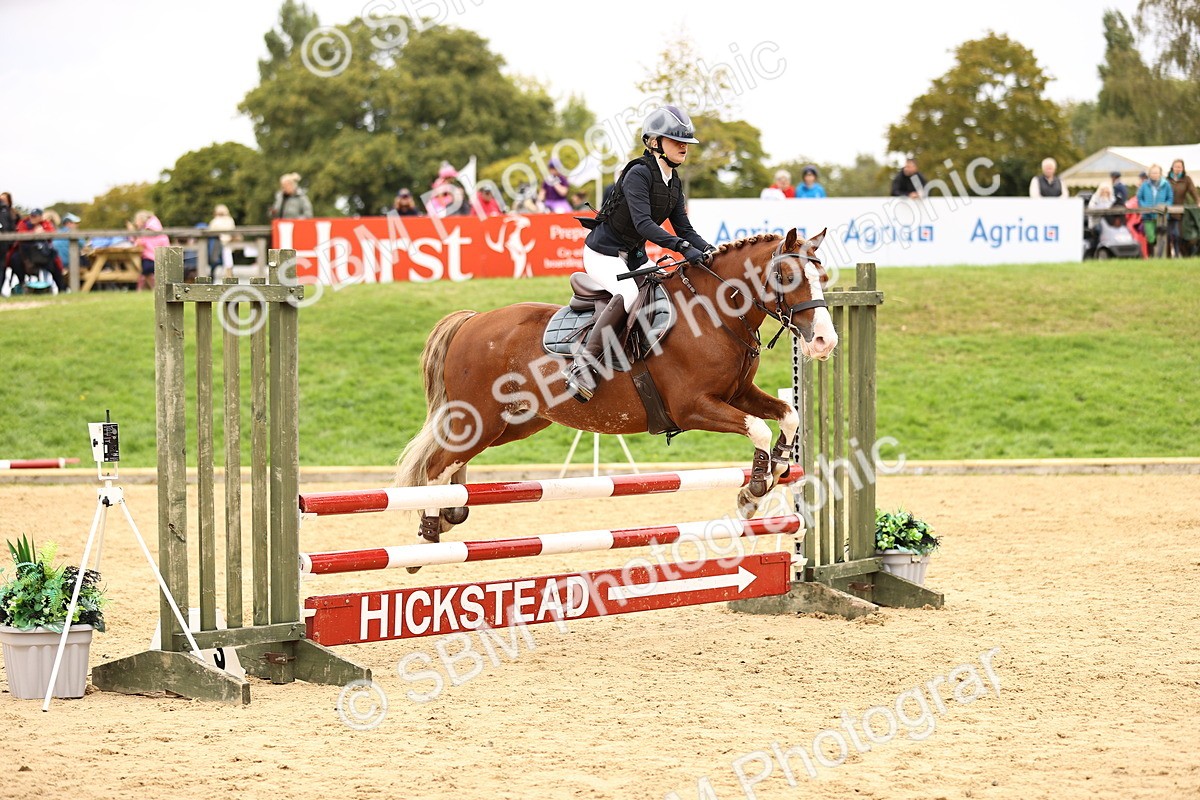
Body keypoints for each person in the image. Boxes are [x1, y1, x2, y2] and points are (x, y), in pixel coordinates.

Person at [563, 104, 715, 403]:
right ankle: (582, 366)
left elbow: (684, 228)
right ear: (655, 142)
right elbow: (644, 224)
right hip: (603, 253)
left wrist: (708, 249)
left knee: (667, 291)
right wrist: (682, 248)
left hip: (632, 255)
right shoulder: (639, 174)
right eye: (676, 141)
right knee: (630, 296)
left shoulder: (673, 182)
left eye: (686, 142)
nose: (684, 147)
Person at [6, 208, 67, 294]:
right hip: (25, 254)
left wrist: (43, 232)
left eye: (35, 216)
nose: (33, 218)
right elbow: (20, 234)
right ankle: (22, 284)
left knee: (56, 263)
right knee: (14, 260)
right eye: (32, 216)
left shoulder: (46, 224)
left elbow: (52, 233)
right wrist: (33, 232)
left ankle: (61, 289)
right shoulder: (23, 223)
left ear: (41, 217)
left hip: (42, 254)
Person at [128, 209, 170, 291]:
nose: (136, 223)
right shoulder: (161, 234)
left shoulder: (145, 234)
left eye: (137, 221)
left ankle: (142, 289)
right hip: (162, 259)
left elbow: (138, 243)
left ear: (142, 220)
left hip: (149, 258)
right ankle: (153, 288)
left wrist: (132, 233)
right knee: (149, 273)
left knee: (144, 271)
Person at [1136, 165, 1173, 256]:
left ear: (1160, 173)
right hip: (1147, 215)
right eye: (1153, 172)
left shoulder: (1166, 184)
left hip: (1161, 216)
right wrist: (1145, 207)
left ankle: (1160, 257)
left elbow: (1170, 198)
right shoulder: (1145, 185)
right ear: (1149, 174)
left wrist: (1165, 206)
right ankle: (1152, 254)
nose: (1154, 174)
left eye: (1156, 172)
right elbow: (1139, 197)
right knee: (1150, 237)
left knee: (1161, 236)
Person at [1165, 159, 1197, 257]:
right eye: (1176, 166)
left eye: (1180, 167)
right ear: (1172, 167)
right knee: (1167, 236)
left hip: (1180, 213)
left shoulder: (1186, 179)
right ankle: (1168, 257)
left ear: (1183, 168)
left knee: (1179, 235)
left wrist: (1198, 201)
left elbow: (1193, 191)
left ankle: (1181, 255)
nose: (1178, 168)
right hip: (1167, 212)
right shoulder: (1166, 180)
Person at [208, 204, 237, 274]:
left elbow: (210, 230)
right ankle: (228, 270)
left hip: (222, 242)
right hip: (220, 242)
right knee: (226, 251)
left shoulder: (216, 220)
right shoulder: (229, 220)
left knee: (226, 251)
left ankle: (227, 270)